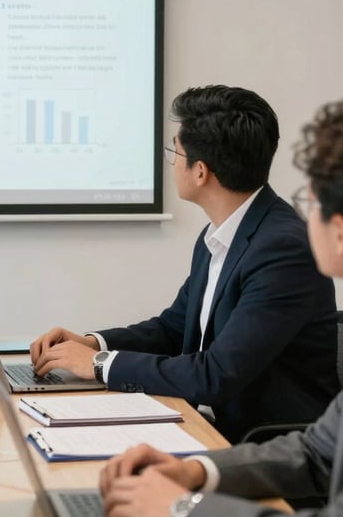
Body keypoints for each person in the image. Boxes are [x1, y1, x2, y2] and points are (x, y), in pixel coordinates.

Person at [99, 99, 343, 517]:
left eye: (310, 200)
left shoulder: (281, 244)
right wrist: (194, 472)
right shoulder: (218, 236)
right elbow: (318, 452)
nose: (302, 212)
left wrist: (183, 510)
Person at [31, 85, 338, 442]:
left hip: (259, 443)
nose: (172, 161)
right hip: (198, 419)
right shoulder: (222, 232)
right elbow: (174, 329)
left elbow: (216, 374)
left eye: (174, 152)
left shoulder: (283, 250)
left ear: (201, 172)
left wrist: (99, 367)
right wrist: (94, 344)